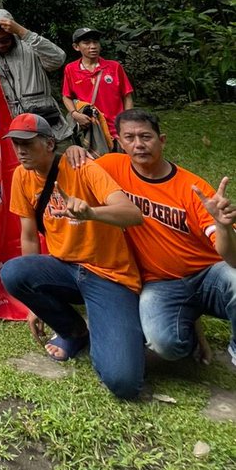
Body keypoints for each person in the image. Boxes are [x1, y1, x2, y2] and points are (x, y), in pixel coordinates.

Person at [64, 109, 236, 368]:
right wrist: (71, 151)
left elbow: (232, 259)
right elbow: (70, 172)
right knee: (165, 344)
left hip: (208, 272)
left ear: (162, 140)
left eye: (146, 136)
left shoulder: (191, 188)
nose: (138, 145)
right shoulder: (110, 167)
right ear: (119, 142)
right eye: (129, 138)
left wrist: (223, 227)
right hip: (160, 283)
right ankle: (189, 333)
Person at [0, 113, 145, 400]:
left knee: (123, 381)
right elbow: (28, 236)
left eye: (27, 143)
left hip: (108, 274)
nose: (20, 151)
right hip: (65, 269)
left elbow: (132, 214)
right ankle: (75, 332)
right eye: (16, 144)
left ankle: (121, 331)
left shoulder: (81, 167)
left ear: (50, 143)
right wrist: (34, 307)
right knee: (14, 273)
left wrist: (91, 213)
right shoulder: (21, 175)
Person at [0, 9, 71, 145]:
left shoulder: (31, 47)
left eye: (5, 40)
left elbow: (58, 59)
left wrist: (23, 32)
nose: (0, 45)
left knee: (64, 163)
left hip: (50, 128)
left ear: (13, 33)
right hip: (11, 134)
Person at [62, 28, 134, 147]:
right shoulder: (71, 69)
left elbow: (127, 96)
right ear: (76, 47)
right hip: (91, 129)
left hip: (117, 129)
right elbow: (66, 96)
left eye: (95, 42)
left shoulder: (114, 67)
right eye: (86, 43)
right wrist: (75, 114)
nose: (93, 46)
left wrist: (129, 121)